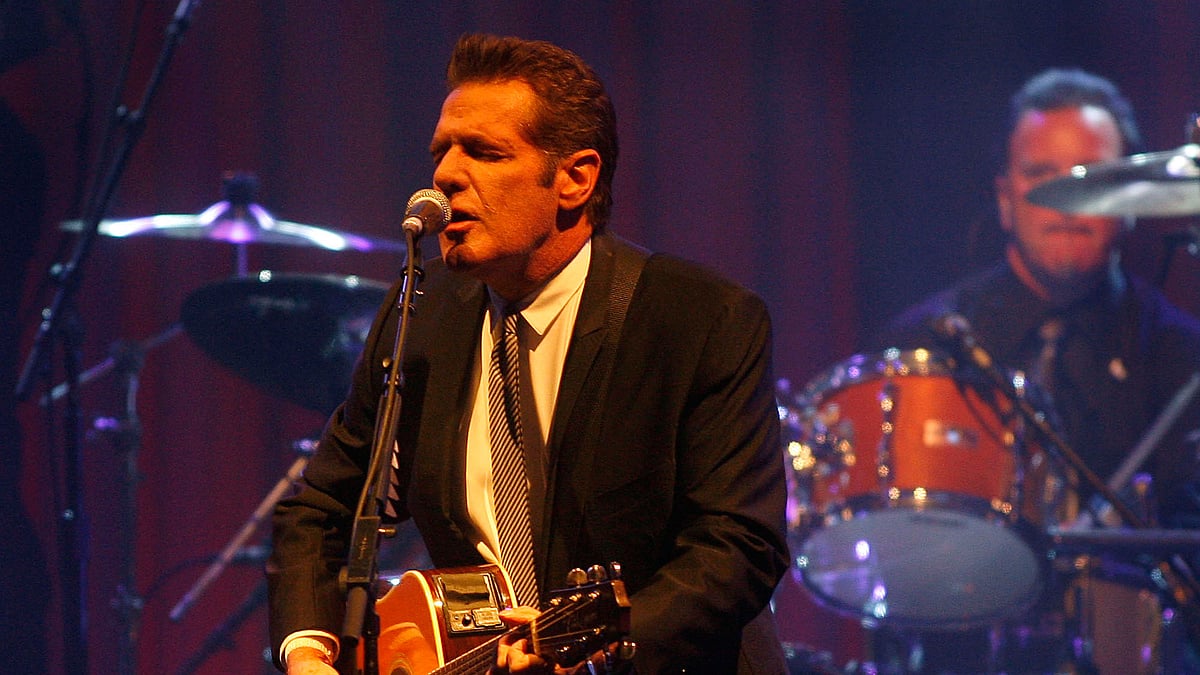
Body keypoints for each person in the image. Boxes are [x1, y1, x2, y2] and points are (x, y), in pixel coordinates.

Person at [266, 33, 789, 675]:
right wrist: (308, 652)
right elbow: (318, 510)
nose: (446, 175)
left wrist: (593, 655)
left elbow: (739, 546)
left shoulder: (700, 320)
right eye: (443, 152)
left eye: (484, 153)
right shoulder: (421, 317)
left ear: (574, 179)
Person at [868, 68, 1200, 671]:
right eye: (1039, 174)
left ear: (1134, 201)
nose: (1065, 199)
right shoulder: (925, 345)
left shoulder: (1183, 358)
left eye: (1092, 176)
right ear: (1004, 197)